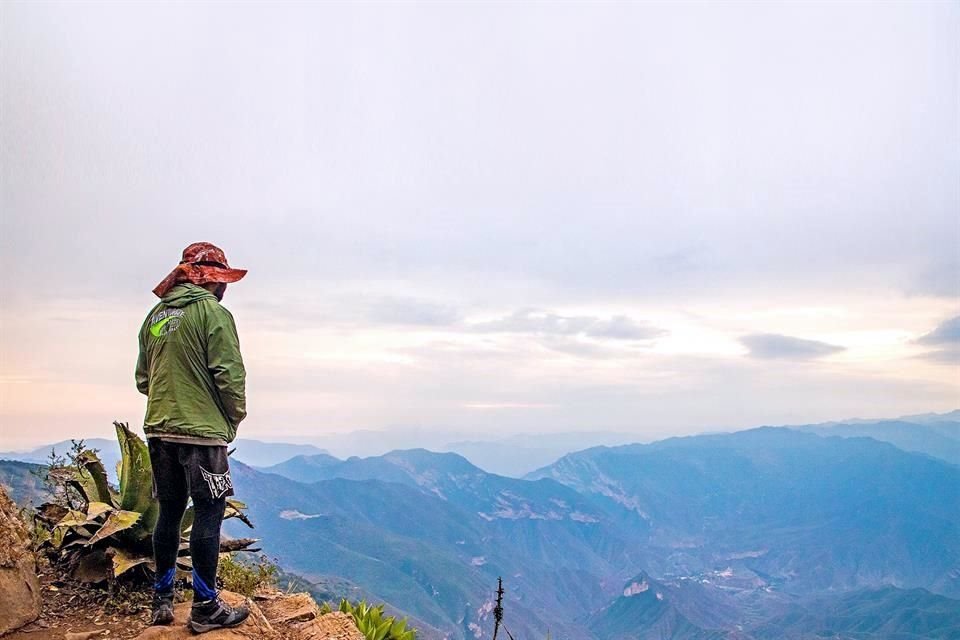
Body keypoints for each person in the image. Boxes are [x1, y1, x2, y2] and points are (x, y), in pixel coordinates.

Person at [136, 242, 249, 632]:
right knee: (209, 511)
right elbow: (229, 376)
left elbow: (143, 379)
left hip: (159, 429)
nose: (226, 288)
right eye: (224, 281)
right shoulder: (214, 315)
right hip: (202, 433)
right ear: (214, 281)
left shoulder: (155, 316)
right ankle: (205, 607)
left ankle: (162, 598)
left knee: (169, 511)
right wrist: (232, 419)